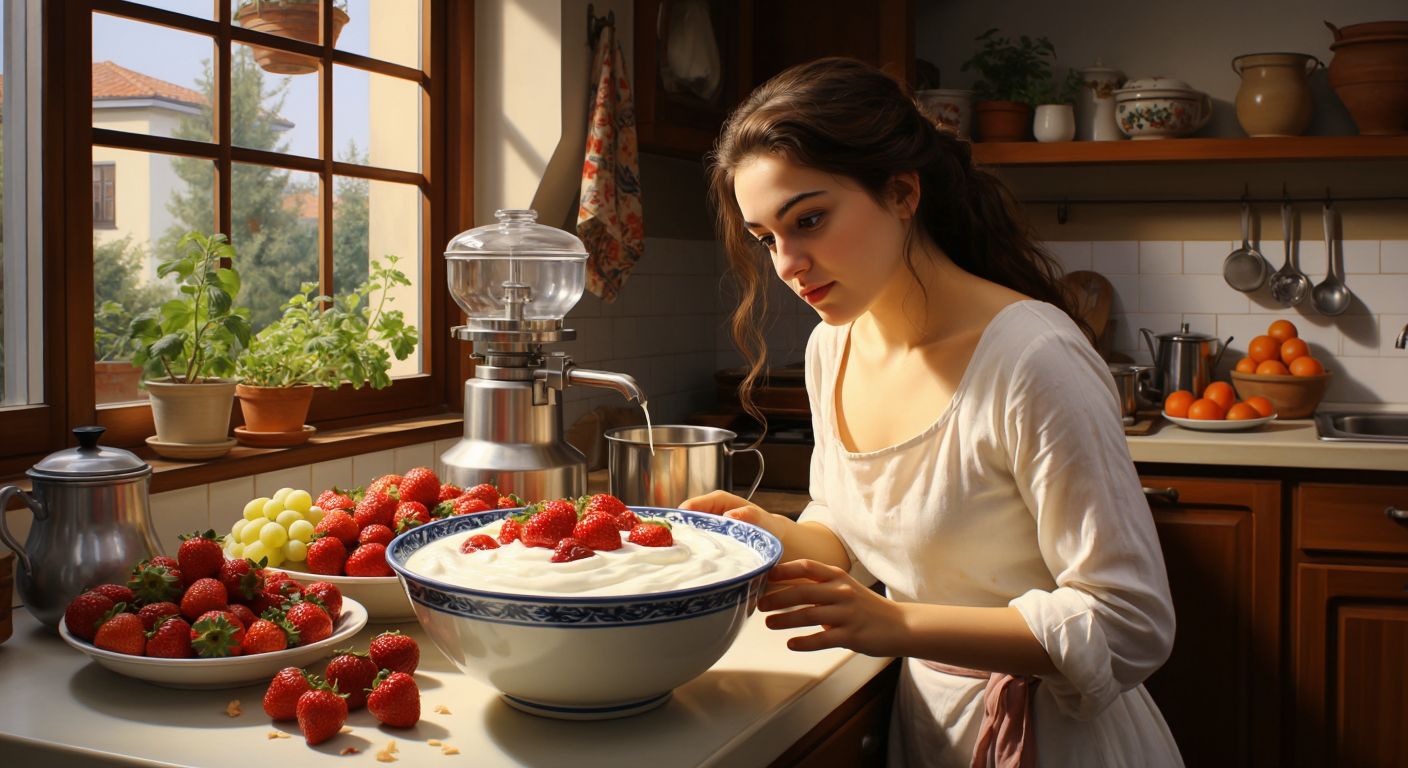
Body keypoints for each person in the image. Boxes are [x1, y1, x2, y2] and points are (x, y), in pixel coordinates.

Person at [681, 57, 1182, 768]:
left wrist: (895, 623)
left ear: (902, 192)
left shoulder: (1033, 358)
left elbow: (1132, 624)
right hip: (927, 725)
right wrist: (778, 537)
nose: (788, 264)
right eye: (766, 238)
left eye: (810, 219)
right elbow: (848, 525)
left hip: (1059, 736)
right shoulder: (833, 348)